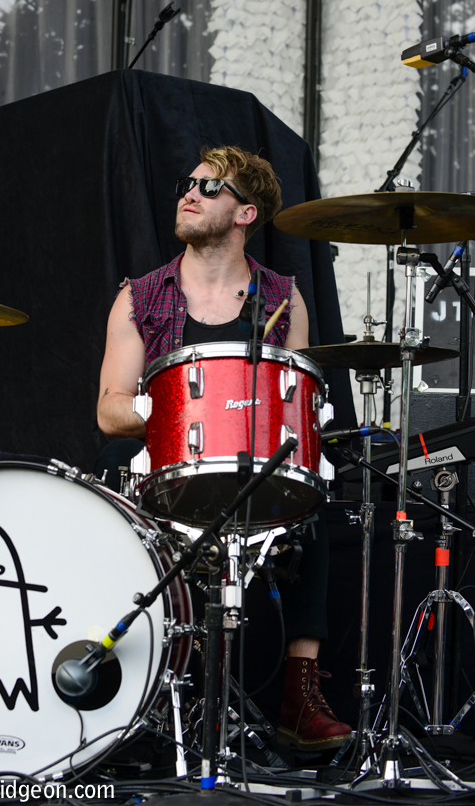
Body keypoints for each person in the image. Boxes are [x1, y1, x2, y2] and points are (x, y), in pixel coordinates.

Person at [96, 144, 351, 752]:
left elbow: (295, 408)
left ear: (245, 213)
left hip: (257, 474)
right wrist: (184, 415)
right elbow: (109, 409)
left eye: (209, 188)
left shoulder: (284, 298)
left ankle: (299, 694)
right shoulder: (140, 297)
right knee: (107, 494)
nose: (190, 194)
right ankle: (131, 696)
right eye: (188, 184)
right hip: (166, 475)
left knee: (316, 492)